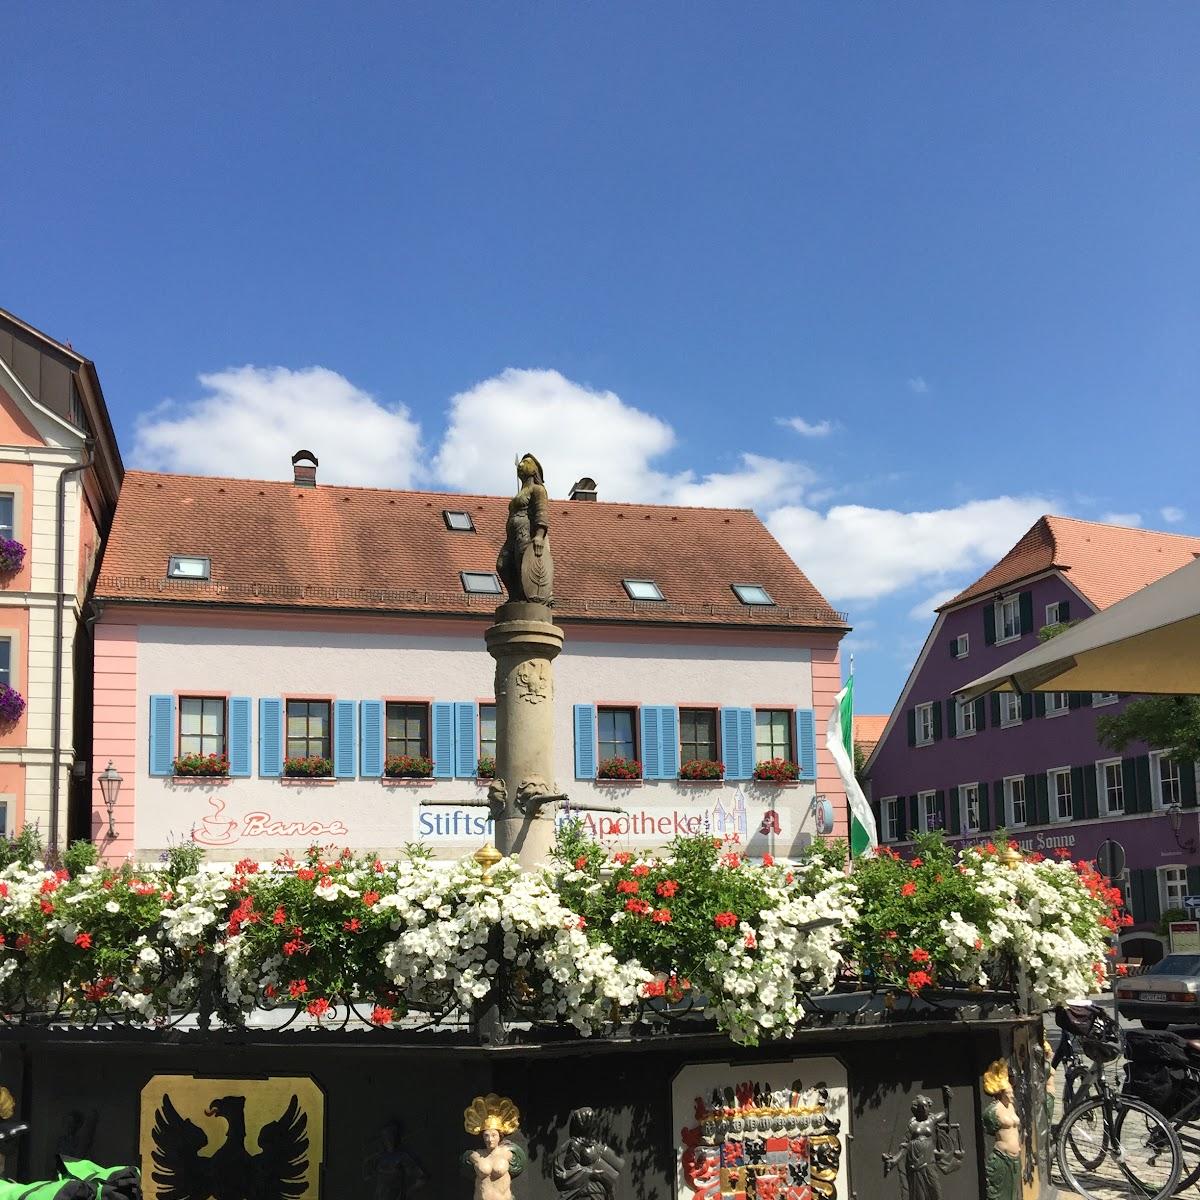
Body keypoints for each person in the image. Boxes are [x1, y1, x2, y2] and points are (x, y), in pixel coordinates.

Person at [496, 454, 553, 605]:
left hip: (525, 533)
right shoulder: (521, 492)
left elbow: (541, 513)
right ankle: (514, 596)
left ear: (534, 470)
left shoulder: (538, 490)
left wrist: (539, 535)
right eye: (521, 462)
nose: (521, 465)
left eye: (526, 462)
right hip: (512, 536)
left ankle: (524, 599)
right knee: (502, 565)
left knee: (522, 565)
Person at [463, 1094, 526, 1200]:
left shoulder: (506, 1153)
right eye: (486, 1135)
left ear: (499, 1136)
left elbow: (519, 1161)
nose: (490, 1139)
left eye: (493, 1135)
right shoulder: (476, 1155)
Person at [552, 1108, 623, 1200]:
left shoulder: (596, 1145)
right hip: (585, 1193)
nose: (592, 1124)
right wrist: (591, 1174)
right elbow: (568, 1172)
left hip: (600, 1191)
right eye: (589, 1120)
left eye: (592, 1120)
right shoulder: (575, 1144)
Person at [981, 1061, 1021, 1200]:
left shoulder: (1011, 1106)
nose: (1012, 1096)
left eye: (1012, 1092)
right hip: (1002, 1157)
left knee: (1012, 1193)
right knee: (998, 1194)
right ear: (1001, 1093)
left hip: (1015, 1159)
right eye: (1009, 1093)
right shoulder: (993, 1111)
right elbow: (989, 1128)